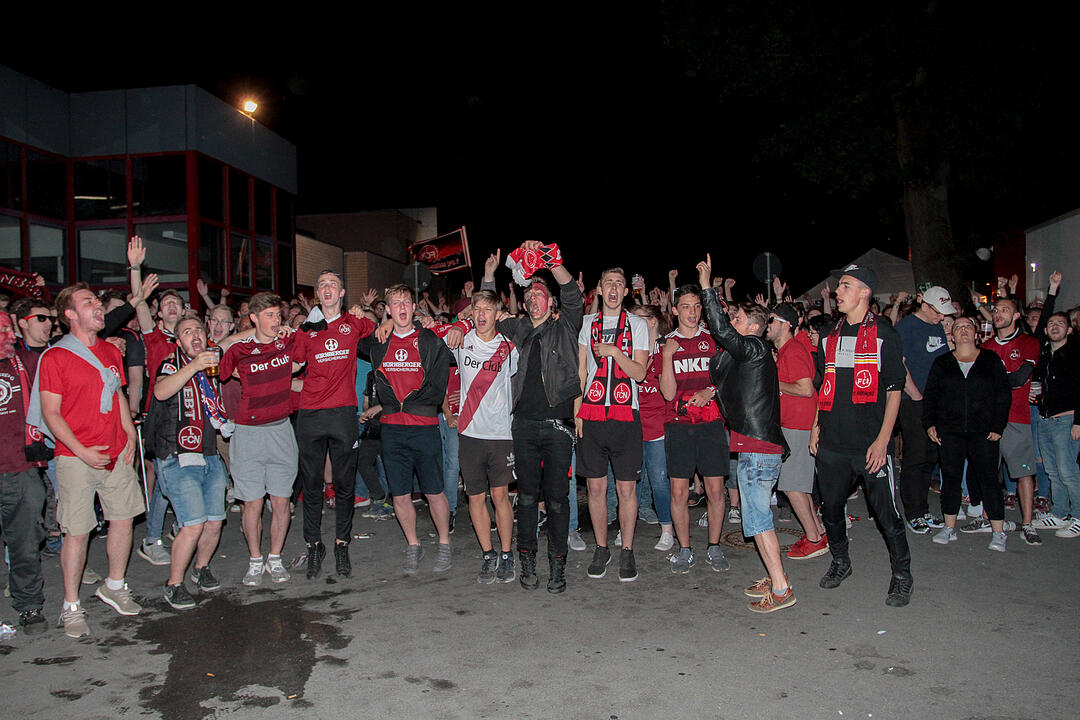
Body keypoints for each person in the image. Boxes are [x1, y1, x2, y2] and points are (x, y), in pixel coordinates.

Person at [32, 284, 144, 637]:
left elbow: (120, 395)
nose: (98, 307)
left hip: (115, 454)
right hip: (76, 458)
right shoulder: (55, 357)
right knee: (77, 533)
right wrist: (81, 451)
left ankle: (114, 585)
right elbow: (51, 413)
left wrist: (128, 435)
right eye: (89, 303)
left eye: (97, 302)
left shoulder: (111, 352)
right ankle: (71, 605)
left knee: (123, 520)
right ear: (69, 314)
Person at [481, 242, 582, 593]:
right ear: (525, 304)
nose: (535, 298)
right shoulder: (520, 330)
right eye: (530, 295)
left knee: (556, 499)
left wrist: (551, 259)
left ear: (550, 302)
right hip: (523, 427)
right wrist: (490, 277)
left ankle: (558, 567)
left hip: (557, 429)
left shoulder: (567, 326)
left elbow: (572, 292)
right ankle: (527, 562)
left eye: (541, 294)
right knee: (525, 499)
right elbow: (488, 314)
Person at [811, 263, 913, 608]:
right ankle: (841, 562)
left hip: (870, 443)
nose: (838, 291)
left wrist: (884, 440)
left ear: (865, 292)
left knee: (887, 515)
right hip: (833, 442)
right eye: (839, 285)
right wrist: (815, 426)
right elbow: (823, 385)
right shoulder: (829, 335)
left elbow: (895, 390)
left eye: (846, 285)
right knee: (831, 509)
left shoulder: (885, 333)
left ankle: (902, 576)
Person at [698, 257, 794, 612]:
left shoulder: (754, 347)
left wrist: (708, 287)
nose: (731, 324)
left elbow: (722, 332)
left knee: (757, 520)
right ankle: (775, 574)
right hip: (753, 445)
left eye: (738, 319)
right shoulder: (752, 354)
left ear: (754, 326)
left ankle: (782, 588)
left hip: (757, 448)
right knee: (757, 518)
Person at [291, 270, 377, 578]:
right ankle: (314, 544)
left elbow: (379, 326)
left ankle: (342, 542)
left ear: (341, 293)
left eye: (333, 284)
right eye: (322, 285)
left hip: (343, 414)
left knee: (344, 484)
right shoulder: (306, 329)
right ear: (318, 294)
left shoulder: (353, 323)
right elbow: (294, 365)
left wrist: (363, 310)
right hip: (311, 415)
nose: (328, 288)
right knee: (312, 484)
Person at [368, 284, 453, 575]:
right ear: (388, 310)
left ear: (414, 307)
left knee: (434, 491)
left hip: (424, 426)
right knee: (400, 495)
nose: (402, 308)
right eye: (396, 304)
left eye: (407, 302)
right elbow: (349, 333)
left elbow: (443, 374)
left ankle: (444, 543)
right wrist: (379, 321)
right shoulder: (379, 341)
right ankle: (413, 544)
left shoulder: (430, 339)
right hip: (392, 429)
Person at [146, 317, 230, 607]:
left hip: (208, 454)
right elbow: (160, 392)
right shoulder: (172, 364)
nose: (194, 335)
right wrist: (193, 366)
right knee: (193, 524)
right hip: (178, 456)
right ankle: (174, 584)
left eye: (198, 330)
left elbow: (235, 339)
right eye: (186, 332)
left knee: (215, 521)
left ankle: (201, 568)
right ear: (178, 340)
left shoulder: (211, 360)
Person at [220, 292, 299, 587]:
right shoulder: (240, 349)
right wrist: (249, 333)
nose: (276, 321)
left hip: (281, 430)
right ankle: (255, 559)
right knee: (251, 504)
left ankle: (275, 558)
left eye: (278, 315)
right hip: (248, 434)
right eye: (268, 315)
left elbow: (305, 350)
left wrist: (286, 333)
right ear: (253, 318)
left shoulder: (287, 343)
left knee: (281, 502)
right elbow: (218, 353)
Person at [577, 267, 649, 582]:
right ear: (601, 289)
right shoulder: (586, 324)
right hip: (592, 416)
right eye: (609, 283)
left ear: (625, 291)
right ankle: (602, 547)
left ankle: (627, 550)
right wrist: (577, 411)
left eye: (620, 283)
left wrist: (615, 352)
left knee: (626, 488)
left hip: (625, 415)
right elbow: (581, 372)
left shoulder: (638, 325)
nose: (615, 288)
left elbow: (640, 373)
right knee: (595, 486)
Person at [922, 316, 1012, 550]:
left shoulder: (990, 360)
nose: (963, 330)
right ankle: (949, 527)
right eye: (958, 327)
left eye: (968, 327)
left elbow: (1003, 395)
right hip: (950, 430)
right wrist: (930, 423)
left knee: (989, 479)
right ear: (951, 334)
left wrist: (997, 426)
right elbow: (931, 394)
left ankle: (998, 531)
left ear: (976, 333)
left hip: (983, 431)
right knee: (950, 478)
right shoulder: (942, 363)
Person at [660, 282, 729, 573]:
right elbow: (666, 393)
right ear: (675, 310)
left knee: (715, 489)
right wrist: (666, 356)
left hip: (711, 424)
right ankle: (685, 549)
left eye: (697, 306)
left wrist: (711, 391)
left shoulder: (713, 340)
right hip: (679, 427)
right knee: (679, 493)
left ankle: (714, 546)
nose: (692, 312)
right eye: (686, 306)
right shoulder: (666, 343)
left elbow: (727, 378)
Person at [451, 290, 519, 583]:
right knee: (475, 498)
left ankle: (506, 553)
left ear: (497, 314)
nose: (481, 314)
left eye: (487, 310)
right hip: (469, 433)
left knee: (500, 495)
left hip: (500, 434)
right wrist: (458, 324)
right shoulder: (461, 342)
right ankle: (488, 554)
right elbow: (436, 334)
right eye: (476, 309)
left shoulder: (509, 347)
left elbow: (516, 379)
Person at [766, 302, 828, 560]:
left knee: (792, 486)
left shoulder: (793, 350)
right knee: (798, 486)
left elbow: (805, 389)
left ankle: (814, 539)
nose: (767, 325)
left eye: (771, 320)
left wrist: (773, 382)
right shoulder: (786, 351)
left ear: (785, 324)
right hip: (792, 425)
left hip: (799, 427)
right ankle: (817, 533)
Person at [0, 311, 48, 634]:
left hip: (21, 469)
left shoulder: (26, 363)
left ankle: (29, 605)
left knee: (25, 544)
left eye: (9, 328)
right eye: (1, 330)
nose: (9, 335)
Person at [894, 286, 955, 533]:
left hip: (938, 402)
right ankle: (914, 512)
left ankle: (924, 510)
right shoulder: (906, 327)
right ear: (926, 306)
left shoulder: (940, 327)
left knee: (931, 456)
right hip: (914, 402)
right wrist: (917, 396)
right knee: (916, 456)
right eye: (939, 312)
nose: (942, 317)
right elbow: (900, 364)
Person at [983, 295, 1041, 539]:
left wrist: (993, 380)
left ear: (1017, 316)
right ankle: (988, 518)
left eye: (1005, 310)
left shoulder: (1028, 342)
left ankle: (1027, 523)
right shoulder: (986, 346)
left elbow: (1020, 379)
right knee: (987, 470)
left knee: (1023, 472)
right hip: (988, 418)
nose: (998, 314)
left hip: (1017, 417)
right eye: (996, 310)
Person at [628, 304, 675, 551]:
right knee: (630, 483)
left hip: (657, 427)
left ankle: (667, 529)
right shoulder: (631, 349)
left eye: (638, 319)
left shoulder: (666, 349)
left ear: (653, 321)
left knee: (658, 480)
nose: (631, 323)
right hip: (632, 426)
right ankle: (628, 528)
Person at [1032, 308, 1080, 538]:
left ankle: (1078, 516)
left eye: (1060, 323)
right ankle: (1060, 513)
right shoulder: (1045, 355)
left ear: (1069, 329)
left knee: (1068, 471)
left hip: (1066, 419)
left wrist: (1078, 422)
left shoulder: (1075, 354)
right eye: (1051, 323)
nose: (1055, 326)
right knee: (1052, 471)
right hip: (1045, 419)